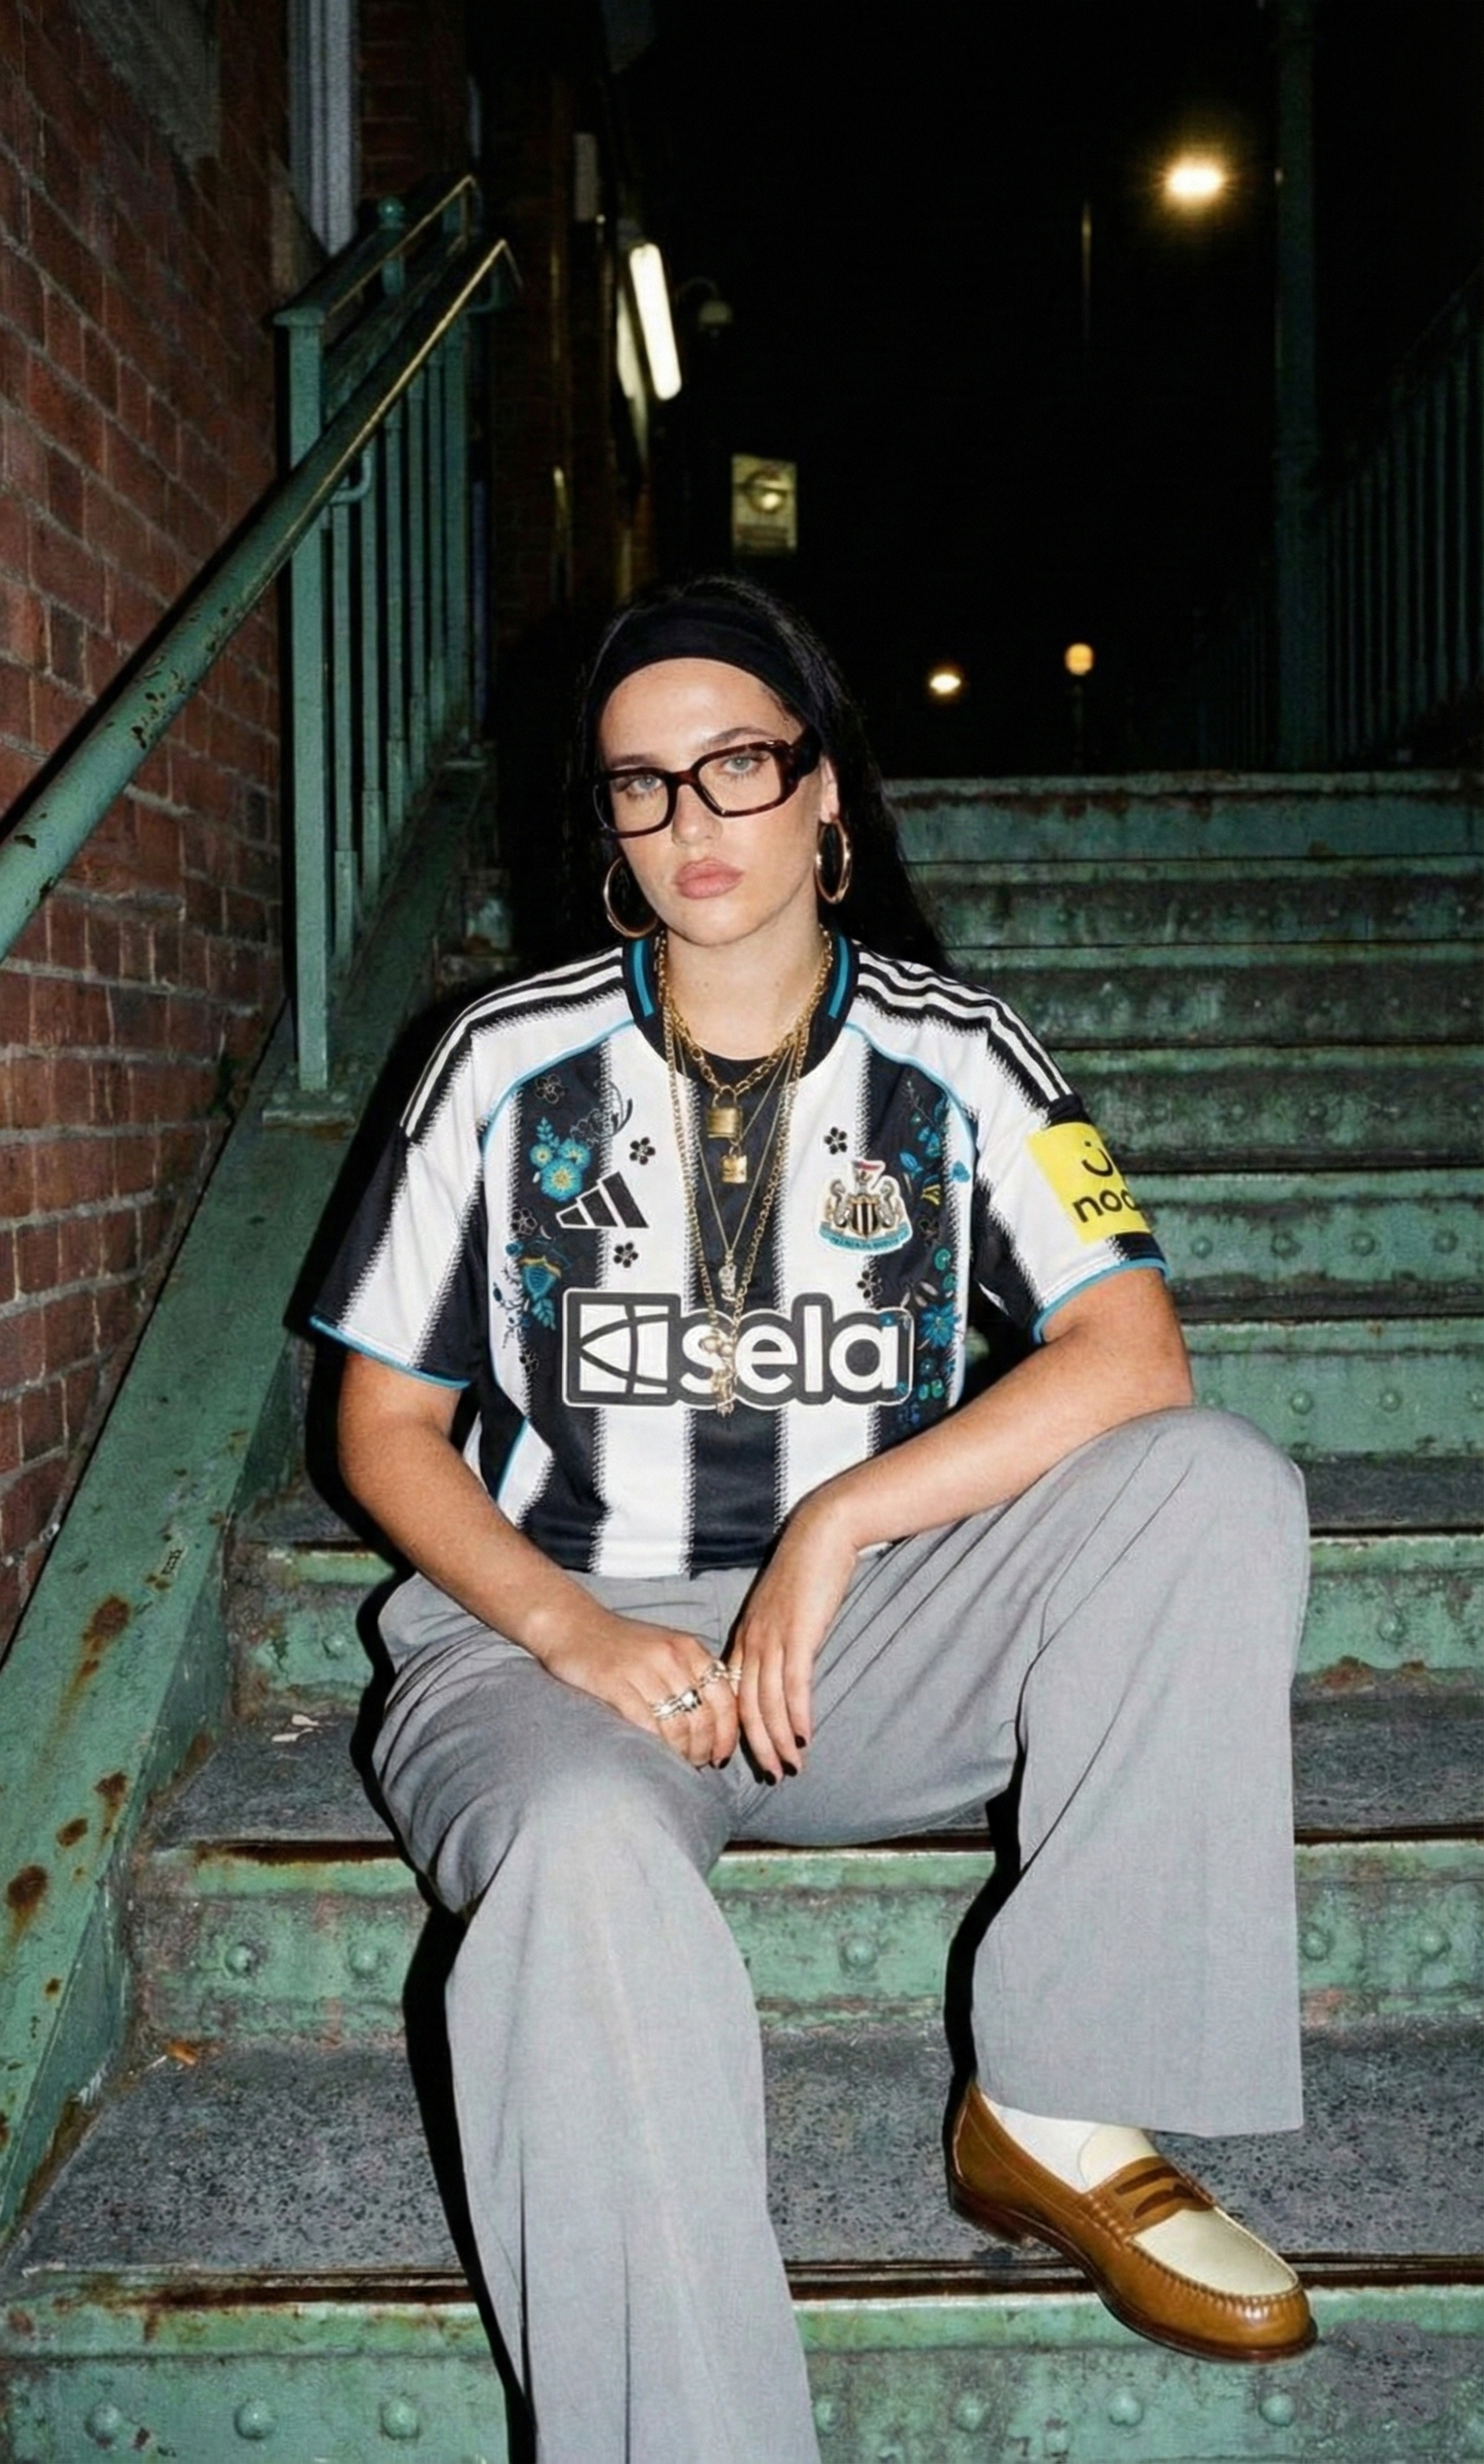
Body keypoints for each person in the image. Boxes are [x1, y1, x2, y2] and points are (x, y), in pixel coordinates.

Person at [312, 576, 1314, 2464]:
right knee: (585, 1858)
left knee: (1212, 1490)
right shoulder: (495, 1059)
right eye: (642, 785)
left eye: (739, 766)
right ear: (602, 825)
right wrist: (568, 1627)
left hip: (855, 1652)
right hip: (549, 1644)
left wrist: (842, 1522)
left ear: (829, 791)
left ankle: (1063, 2102)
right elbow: (381, 1423)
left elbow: (1132, 1351)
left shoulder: (959, 1051)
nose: (693, 820)